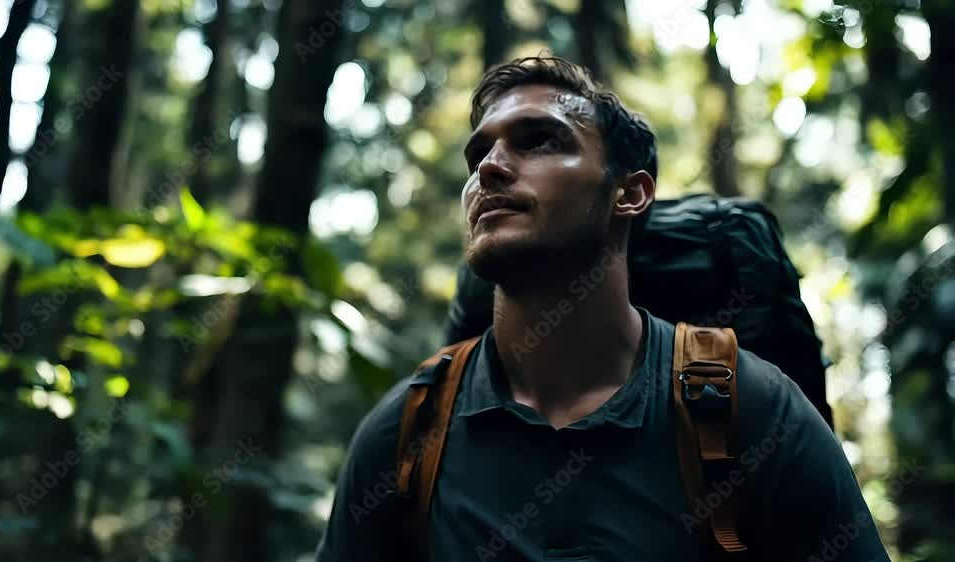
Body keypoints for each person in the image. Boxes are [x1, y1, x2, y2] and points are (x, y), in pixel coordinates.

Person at [314, 56, 889, 562]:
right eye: (478, 153)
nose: (487, 168)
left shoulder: (750, 409)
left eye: (539, 140)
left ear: (630, 193)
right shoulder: (409, 430)